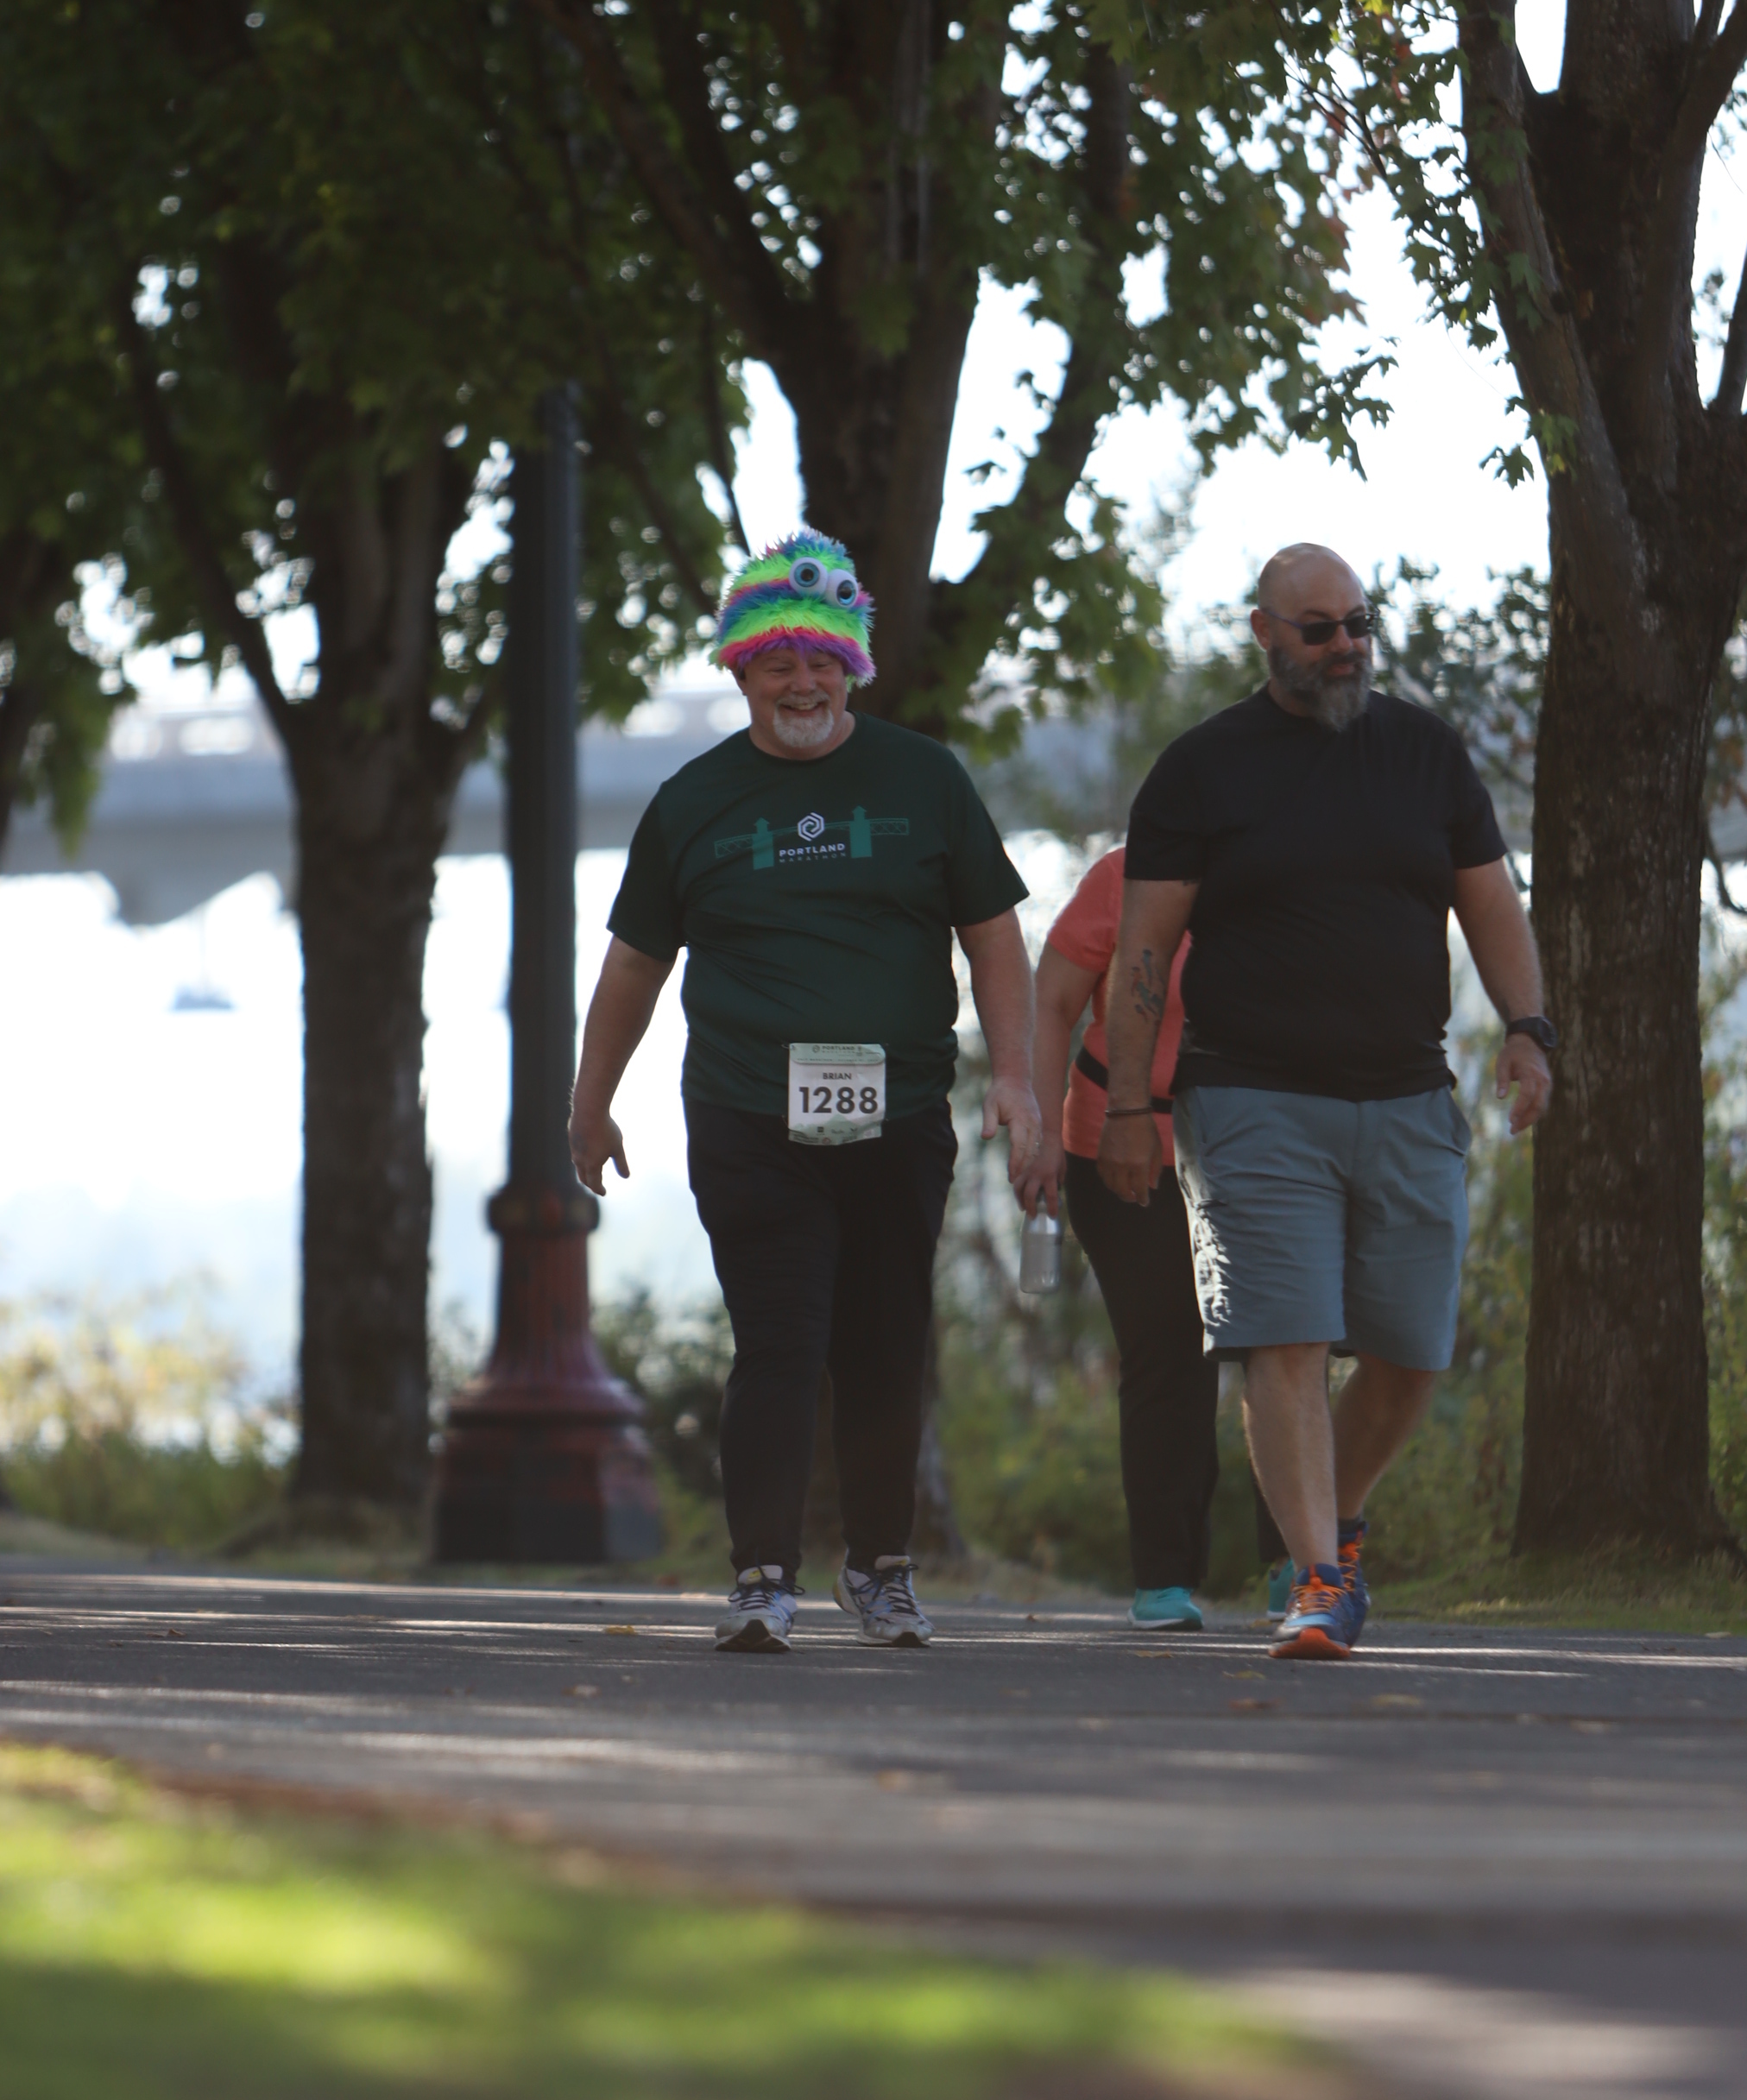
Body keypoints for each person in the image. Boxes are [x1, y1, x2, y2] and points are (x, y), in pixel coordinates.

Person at [569, 529, 1041, 1653]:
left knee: (884, 1344)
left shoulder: (923, 779)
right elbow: (634, 965)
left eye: (824, 661)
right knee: (780, 1340)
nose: (803, 683)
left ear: (853, 670)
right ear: (741, 672)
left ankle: (879, 1569)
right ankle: (761, 1578)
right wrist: (590, 1102)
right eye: (778, 662)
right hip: (747, 1113)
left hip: (899, 1112)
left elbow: (993, 936)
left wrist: (1019, 1082)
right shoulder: (693, 801)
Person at [1102, 542, 1553, 1660]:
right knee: (1283, 1338)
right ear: (1265, 633)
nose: (1347, 645)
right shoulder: (1202, 769)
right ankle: (1313, 1579)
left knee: (1411, 1352)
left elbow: (1490, 904)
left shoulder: (1423, 753)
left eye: (1359, 624)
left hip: (1406, 1095)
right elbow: (1142, 951)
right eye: (1321, 630)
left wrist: (1528, 1029)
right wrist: (1127, 1108)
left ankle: (1334, 1528)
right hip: (1249, 1100)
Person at [1020, 845, 1290, 1631]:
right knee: (1168, 1353)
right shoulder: (1123, 876)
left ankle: (1298, 1564)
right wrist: (1039, 1133)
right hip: (1121, 1145)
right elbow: (1050, 1003)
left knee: (1283, 1346)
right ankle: (1164, 1580)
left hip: (1263, 1146)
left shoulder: (1295, 870)